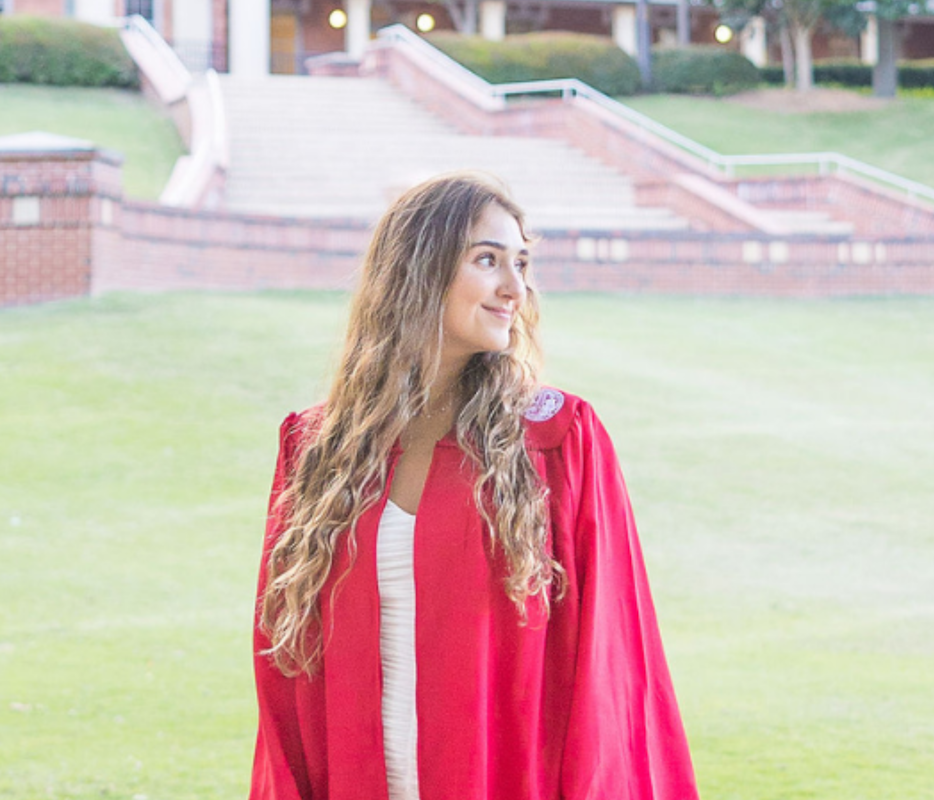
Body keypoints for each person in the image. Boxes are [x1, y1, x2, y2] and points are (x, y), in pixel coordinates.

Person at [249, 173, 699, 800]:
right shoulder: (318, 449)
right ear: (419, 270)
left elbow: (611, 670)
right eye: (487, 260)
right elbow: (284, 679)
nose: (515, 288)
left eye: (522, 263)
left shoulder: (556, 441)